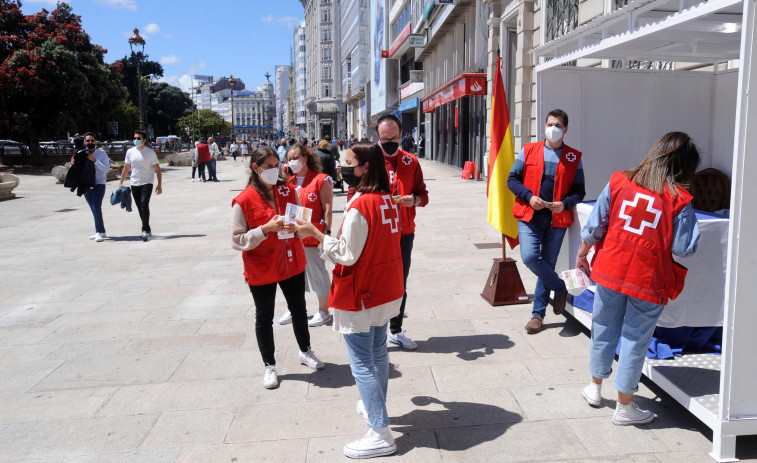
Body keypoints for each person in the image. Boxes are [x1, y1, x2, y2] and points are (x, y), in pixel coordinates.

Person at [575, 131, 700, 425]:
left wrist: (582, 253)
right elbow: (685, 247)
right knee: (635, 339)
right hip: (648, 279)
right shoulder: (680, 199)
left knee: (603, 326)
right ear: (683, 166)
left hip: (609, 269)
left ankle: (595, 388)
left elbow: (596, 225)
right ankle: (625, 406)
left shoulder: (619, 180)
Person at [295, 142, 403, 459]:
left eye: (348, 163)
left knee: (362, 364)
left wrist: (316, 233)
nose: (342, 168)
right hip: (386, 286)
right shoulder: (388, 199)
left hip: (362, 290)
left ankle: (380, 433)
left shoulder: (361, 205)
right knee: (378, 352)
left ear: (365, 167)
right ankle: (375, 409)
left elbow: (346, 253)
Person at [230, 146, 325, 389]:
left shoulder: (288, 189)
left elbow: (300, 219)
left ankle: (305, 350)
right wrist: (264, 230)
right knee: (264, 317)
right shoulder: (243, 200)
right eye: (269, 166)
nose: (275, 170)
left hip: (291, 261)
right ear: (256, 168)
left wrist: (297, 227)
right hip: (261, 267)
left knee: (298, 309)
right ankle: (269, 365)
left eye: (276, 165)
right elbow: (237, 240)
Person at [507, 109, 586, 335]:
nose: (554, 128)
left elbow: (580, 191)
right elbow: (512, 180)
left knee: (547, 265)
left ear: (566, 129)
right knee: (530, 257)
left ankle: (537, 315)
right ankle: (560, 287)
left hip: (557, 217)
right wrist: (528, 196)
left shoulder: (573, 157)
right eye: (550, 124)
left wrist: (565, 203)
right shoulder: (529, 150)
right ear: (544, 126)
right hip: (530, 214)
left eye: (559, 125)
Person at [376, 114, 428, 350]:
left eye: (395, 138)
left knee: (400, 282)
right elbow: (353, 196)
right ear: (377, 136)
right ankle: (375, 331)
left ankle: (395, 330)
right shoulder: (369, 161)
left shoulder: (410, 161)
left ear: (401, 136)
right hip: (377, 233)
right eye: (385, 138)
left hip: (404, 232)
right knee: (377, 281)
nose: (390, 143)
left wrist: (414, 200)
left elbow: (423, 195)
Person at [277, 143, 334, 327]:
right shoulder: (289, 182)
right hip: (291, 235)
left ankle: (324, 310)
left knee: (317, 272)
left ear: (305, 158)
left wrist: (326, 232)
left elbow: (327, 207)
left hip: (311, 234)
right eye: (289, 159)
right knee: (292, 274)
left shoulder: (321, 179)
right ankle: (294, 308)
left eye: (295, 158)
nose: (292, 162)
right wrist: (284, 179)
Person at [119, 130, 162, 241]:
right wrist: (121, 182)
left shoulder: (150, 153)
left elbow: (158, 169)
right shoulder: (130, 152)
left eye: (139, 138)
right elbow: (126, 167)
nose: (136, 140)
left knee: (144, 204)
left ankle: (144, 230)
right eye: (135, 138)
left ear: (144, 140)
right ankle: (147, 228)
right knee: (139, 207)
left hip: (147, 182)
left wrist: (159, 185)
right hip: (135, 183)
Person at [80, 132, 111, 242]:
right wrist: (72, 164)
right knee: (93, 208)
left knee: (96, 206)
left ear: (95, 142)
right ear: (84, 142)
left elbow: (106, 170)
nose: (90, 142)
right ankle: (102, 231)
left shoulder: (102, 155)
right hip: (86, 184)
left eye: (92, 140)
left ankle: (98, 232)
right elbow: (77, 169)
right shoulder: (81, 153)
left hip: (99, 183)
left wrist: (95, 161)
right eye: (88, 141)